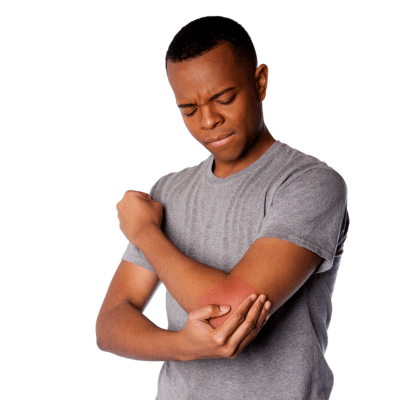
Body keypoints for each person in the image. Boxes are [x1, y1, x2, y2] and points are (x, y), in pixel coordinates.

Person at [96, 16, 350, 400]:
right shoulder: (169, 191)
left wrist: (146, 233)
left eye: (224, 99)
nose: (209, 120)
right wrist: (185, 345)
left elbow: (230, 316)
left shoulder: (309, 184)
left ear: (260, 82)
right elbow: (110, 323)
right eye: (188, 109)